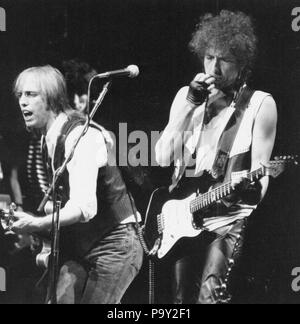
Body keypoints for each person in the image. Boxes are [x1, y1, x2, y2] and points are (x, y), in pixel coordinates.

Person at [155, 10, 277, 304]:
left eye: (224, 59)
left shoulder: (260, 104)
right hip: (184, 217)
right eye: (209, 57)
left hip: (226, 218)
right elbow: (161, 157)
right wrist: (188, 106)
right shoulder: (187, 96)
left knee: (209, 299)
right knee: (180, 301)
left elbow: (263, 174)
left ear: (242, 63)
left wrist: (251, 190)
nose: (214, 67)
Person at [10, 65, 143, 304]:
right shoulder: (48, 139)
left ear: (51, 98)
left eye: (31, 95)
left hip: (115, 245)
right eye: (20, 95)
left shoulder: (81, 137)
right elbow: (61, 202)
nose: (22, 102)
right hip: (81, 246)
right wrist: (33, 221)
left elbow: (83, 207)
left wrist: (37, 223)